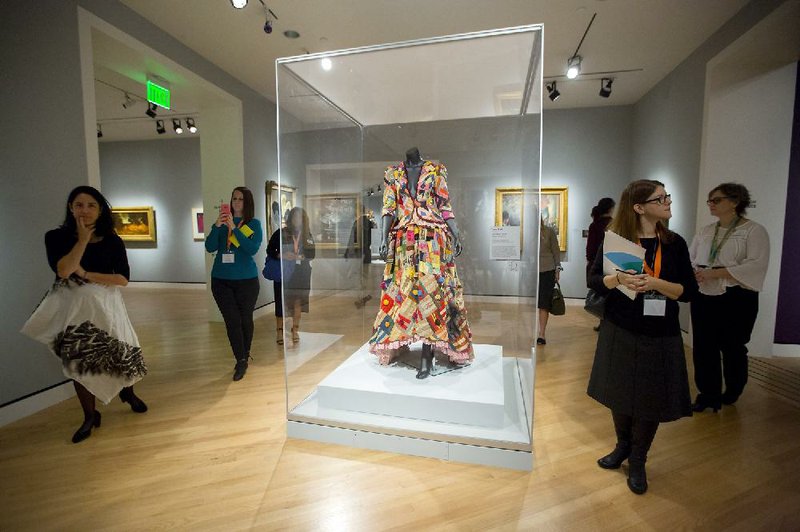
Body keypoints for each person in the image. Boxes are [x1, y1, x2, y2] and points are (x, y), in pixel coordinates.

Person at [587, 180, 697, 495]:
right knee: (620, 392)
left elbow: (687, 291)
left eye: (666, 196)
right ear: (639, 207)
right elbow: (593, 279)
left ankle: (638, 459)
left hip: (660, 331)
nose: (667, 202)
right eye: (659, 198)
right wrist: (617, 277)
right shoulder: (618, 241)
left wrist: (655, 283)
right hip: (620, 326)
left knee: (649, 398)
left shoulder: (674, 243)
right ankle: (622, 446)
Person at [22, 186, 148, 444]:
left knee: (120, 350)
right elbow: (64, 270)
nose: (85, 210)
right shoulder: (56, 238)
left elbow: (122, 279)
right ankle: (90, 416)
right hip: (75, 312)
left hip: (108, 307)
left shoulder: (112, 240)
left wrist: (87, 274)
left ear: (100, 209)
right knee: (79, 362)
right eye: (79, 205)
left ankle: (128, 393)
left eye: (91, 205)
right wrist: (81, 240)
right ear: (71, 208)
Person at [368, 147, 473, 379]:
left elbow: (444, 206)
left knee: (432, 293)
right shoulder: (393, 173)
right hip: (403, 241)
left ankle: (428, 353)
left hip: (433, 240)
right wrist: (383, 238)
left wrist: (456, 234)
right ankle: (402, 341)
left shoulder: (436, 171)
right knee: (403, 293)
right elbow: (389, 208)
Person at [689, 183, 769, 412]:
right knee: (704, 347)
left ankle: (733, 390)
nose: (711, 205)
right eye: (709, 201)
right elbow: (691, 257)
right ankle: (707, 395)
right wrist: (696, 272)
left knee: (733, 346)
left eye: (716, 200)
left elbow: (756, 264)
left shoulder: (753, 231)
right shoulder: (706, 230)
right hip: (705, 295)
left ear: (734, 202)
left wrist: (717, 273)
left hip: (737, 297)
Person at [205, 187, 263, 381]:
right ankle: (240, 360)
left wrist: (236, 229)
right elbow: (210, 246)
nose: (236, 202)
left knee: (245, 319)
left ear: (247, 203)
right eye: (234, 199)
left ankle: (245, 355)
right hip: (221, 280)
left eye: (240, 199)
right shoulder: (221, 224)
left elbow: (251, 249)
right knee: (232, 320)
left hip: (246, 281)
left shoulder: (253, 224)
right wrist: (216, 226)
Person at [279, 207, 315, 344]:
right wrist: (283, 255)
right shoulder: (284, 233)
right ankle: (285, 329)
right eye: (294, 217)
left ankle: (295, 330)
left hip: (303, 272)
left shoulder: (307, 235)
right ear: (290, 219)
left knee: (299, 302)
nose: (297, 220)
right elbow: (274, 250)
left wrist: (301, 255)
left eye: (300, 217)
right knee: (288, 302)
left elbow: (312, 254)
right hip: (288, 271)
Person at [586, 197, 616, 331]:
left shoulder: (595, 225)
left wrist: (590, 261)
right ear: (610, 209)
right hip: (612, 262)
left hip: (596, 264)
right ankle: (607, 321)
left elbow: (590, 246)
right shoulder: (613, 224)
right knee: (611, 292)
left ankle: (602, 320)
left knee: (600, 292)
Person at [537, 218, 562, 345]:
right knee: (533, 304)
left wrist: (557, 269)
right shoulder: (527, 232)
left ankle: (541, 334)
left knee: (544, 303)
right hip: (532, 272)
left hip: (547, 271)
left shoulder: (549, 232)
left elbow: (556, 251)